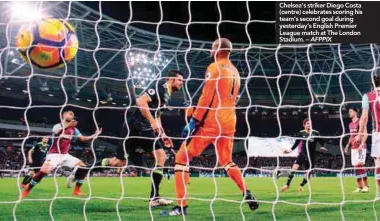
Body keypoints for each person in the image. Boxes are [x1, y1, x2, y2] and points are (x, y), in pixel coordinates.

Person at [161, 38, 259, 216]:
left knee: (182, 158)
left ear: (215, 51)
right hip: (230, 121)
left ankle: (181, 207)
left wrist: (194, 120)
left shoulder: (214, 67)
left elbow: (207, 96)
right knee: (226, 161)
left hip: (212, 121)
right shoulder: (236, 72)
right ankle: (246, 192)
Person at [100, 70, 183, 207]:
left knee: (120, 162)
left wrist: (162, 133)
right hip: (136, 127)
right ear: (170, 79)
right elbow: (140, 101)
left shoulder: (167, 94)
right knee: (121, 162)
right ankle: (81, 171)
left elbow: (157, 114)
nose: (182, 83)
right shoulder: (159, 87)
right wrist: (151, 121)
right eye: (180, 80)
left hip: (143, 129)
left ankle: (155, 197)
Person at [21, 110, 102, 198]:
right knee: (43, 171)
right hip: (54, 154)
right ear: (64, 115)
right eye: (70, 113)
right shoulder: (58, 126)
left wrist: (94, 134)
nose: (72, 115)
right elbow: (56, 132)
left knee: (83, 167)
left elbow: (83, 139)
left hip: (65, 155)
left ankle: (76, 190)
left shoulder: (74, 129)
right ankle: (27, 190)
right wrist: (69, 125)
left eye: (73, 115)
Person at [280, 118, 327, 192]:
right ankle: (287, 185)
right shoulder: (301, 133)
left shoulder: (316, 133)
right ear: (304, 125)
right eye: (308, 123)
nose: (309, 124)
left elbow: (321, 141)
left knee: (309, 173)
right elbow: (296, 143)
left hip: (311, 156)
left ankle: (301, 185)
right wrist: (290, 150)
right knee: (294, 168)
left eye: (310, 123)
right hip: (302, 154)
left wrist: (322, 146)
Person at [357, 74, 380, 190]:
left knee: (378, 162)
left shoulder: (368, 96)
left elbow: (364, 117)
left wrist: (360, 133)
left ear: (372, 85)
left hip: (378, 132)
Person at [344, 108, 369, 193]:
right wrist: (347, 145)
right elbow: (351, 136)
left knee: (360, 165)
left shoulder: (361, 121)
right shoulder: (350, 124)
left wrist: (362, 144)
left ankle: (367, 186)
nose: (349, 113)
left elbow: (365, 134)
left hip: (360, 147)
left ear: (356, 112)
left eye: (350, 111)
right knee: (355, 168)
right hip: (353, 148)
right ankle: (359, 187)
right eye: (349, 111)